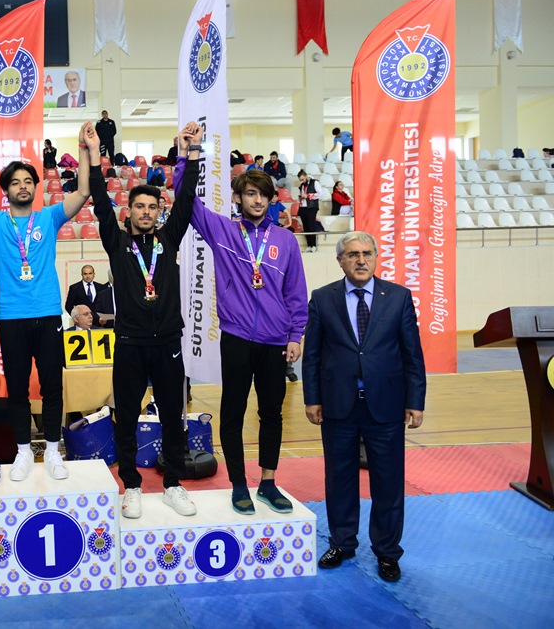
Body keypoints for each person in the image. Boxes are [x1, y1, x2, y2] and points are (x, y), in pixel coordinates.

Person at [0, 115, 91, 482]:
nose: (23, 186)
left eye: (28, 181)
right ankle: (24, 452)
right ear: (6, 190)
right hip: (11, 317)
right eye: (15, 182)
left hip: (48, 315)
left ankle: (54, 451)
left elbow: (82, 193)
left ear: (35, 188)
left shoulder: (50, 218)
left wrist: (84, 150)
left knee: (52, 388)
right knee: (17, 391)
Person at [178, 165, 307, 516]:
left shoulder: (286, 240)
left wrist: (296, 335)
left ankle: (268, 482)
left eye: (264, 194)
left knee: (272, 414)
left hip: (275, 341)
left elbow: (296, 293)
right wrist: (188, 158)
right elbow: (188, 202)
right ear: (238, 198)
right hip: (236, 338)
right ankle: (238, 484)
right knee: (232, 412)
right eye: (251, 193)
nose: (258, 200)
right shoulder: (224, 230)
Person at [92, 121, 201, 518]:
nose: (146, 212)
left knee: (173, 415)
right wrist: (93, 155)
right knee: (126, 417)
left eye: (152, 207)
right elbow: (99, 200)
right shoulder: (117, 242)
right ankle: (131, 486)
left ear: (159, 212)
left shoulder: (168, 239)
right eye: (139, 206)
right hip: (130, 344)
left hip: (168, 340)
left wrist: (190, 153)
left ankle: (173, 484)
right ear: (129, 211)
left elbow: (186, 199)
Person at [303, 231, 426, 584]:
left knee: (388, 481)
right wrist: (312, 398)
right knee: (339, 478)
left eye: (367, 253)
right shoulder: (322, 298)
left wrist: (415, 401)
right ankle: (342, 543)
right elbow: (312, 356)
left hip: (386, 403)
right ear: (340, 260)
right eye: (353, 254)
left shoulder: (398, 297)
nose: (361, 260)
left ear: (375, 257)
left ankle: (387, 551)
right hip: (337, 404)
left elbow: (412, 354)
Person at [297, 170, 320, 253]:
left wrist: (308, 195)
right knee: (306, 227)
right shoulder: (301, 186)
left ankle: (314, 245)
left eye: (303, 179)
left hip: (311, 207)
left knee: (311, 226)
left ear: (306, 176)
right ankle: (309, 245)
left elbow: (320, 193)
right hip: (303, 207)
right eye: (300, 180)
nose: (302, 181)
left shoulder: (315, 182)